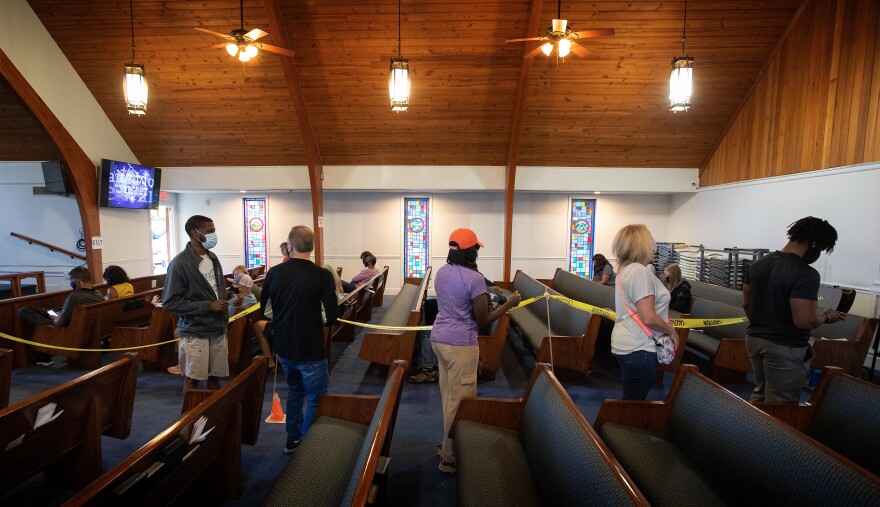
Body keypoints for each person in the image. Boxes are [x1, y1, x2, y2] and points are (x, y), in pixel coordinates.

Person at [431, 228, 521, 473]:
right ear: (471, 252)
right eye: (477, 249)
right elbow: (483, 319)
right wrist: (510, 304)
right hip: (460, 343)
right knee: (461, 403)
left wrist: (486, 297)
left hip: (439, 339)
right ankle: (449, 458)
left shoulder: (442, 271)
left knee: (449, 398)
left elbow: (456, 301)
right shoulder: (474, 279)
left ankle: (447, 444)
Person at [743, 216, 845, 404]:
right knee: (782, 403)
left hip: (754, 339)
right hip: (785, 346)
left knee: (761, 393)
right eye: (821, 249)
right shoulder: (805, 273)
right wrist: (827, 316)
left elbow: (747, 305)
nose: (819, 254)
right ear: (813, 243)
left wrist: (763, 326)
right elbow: (804, 320)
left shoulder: (757, 266)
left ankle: (752, 431)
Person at [261, 225, 338, 453]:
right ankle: (309, 447)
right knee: (315, 397)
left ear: (290, 246)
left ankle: (293, 439)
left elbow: (265, 311)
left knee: (294, 392)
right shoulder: (322, 275)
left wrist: (284, 318)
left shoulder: (274, 272)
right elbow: (330, 315)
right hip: (310, 348)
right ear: (311, 247)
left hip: (284, 348)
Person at [162, 214, 229, 395]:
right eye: (210, 231)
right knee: (193, 378)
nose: (214, 235)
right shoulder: (180, 263)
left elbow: (215, 290)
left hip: (217, 327)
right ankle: (189, 419)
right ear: (195, 233)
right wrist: (207, 306)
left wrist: (228, 297)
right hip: (195, 330)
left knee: (216, 377)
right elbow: (170, 302)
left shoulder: (213, 258)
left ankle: (214, 416)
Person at [611, 224, 679, 400]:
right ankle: (625, 427)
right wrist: (671, 331)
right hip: (640, 347)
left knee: (631, 398)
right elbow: (648, 317)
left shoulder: (624, 270)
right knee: (635, 403)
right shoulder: (639, 272)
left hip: (627, 342)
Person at [18, 266, 104, 366]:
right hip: (87, 327)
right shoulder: (98, 294)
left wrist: (55, 318)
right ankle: (48, 313)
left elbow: (58, 323)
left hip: (71, 330)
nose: (71, 283)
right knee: (49, 311)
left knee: (24, 311)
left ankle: (43, 357)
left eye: (71, 281)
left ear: (77, 281)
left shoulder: (74, 296)